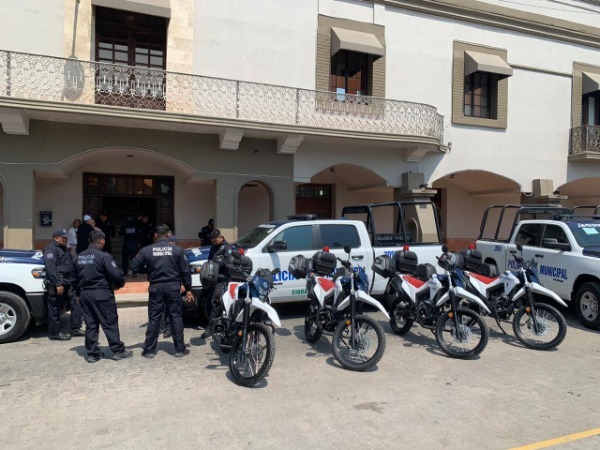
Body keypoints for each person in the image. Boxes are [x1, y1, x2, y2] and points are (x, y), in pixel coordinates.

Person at [131, 224, 194, 358]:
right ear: (168, 235)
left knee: (154, 318)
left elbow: (133, 265)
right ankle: (180, 349)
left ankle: (149, 350)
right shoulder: (177, 250)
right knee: (175, 317)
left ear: (155, 235)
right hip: (173, 287)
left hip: (156, 287)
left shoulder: (146, 250)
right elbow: (185, 271)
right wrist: (188, 288)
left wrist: (148, 268)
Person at [73, 229, 133, 363]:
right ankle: (118, 350)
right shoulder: (104, 256)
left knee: (91, 325)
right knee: (109, 322)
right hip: (102, 294)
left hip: (85, 295)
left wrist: (77, 294)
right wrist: (120, 283)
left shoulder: (78, 257)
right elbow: (117, 275)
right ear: (102, 241)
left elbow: (74, 279)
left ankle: (92, 354)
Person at [43, 228, 84, 340]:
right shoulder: (50, 249)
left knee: (76, 301)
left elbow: (71, 262)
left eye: (66, 237)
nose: (66, 239)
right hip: (58, 282)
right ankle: (54, 333)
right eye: (64, 238)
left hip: (68, 281)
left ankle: (75, 328)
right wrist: (57, 283)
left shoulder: (64, 249)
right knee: (55, 307)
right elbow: (50, 268)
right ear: (56, 238)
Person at [201, 229, 229, 339]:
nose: (214, 243)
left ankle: (212, 328)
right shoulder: (213, 247)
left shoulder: (227, 247)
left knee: (217, 303)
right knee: (212, 303)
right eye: (212, 241)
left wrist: (217, 263)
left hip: (223, 279)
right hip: (213, 279)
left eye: (215, 240)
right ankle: (216, 326)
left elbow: (228, 263)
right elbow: (209, 261)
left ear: (220, 237)